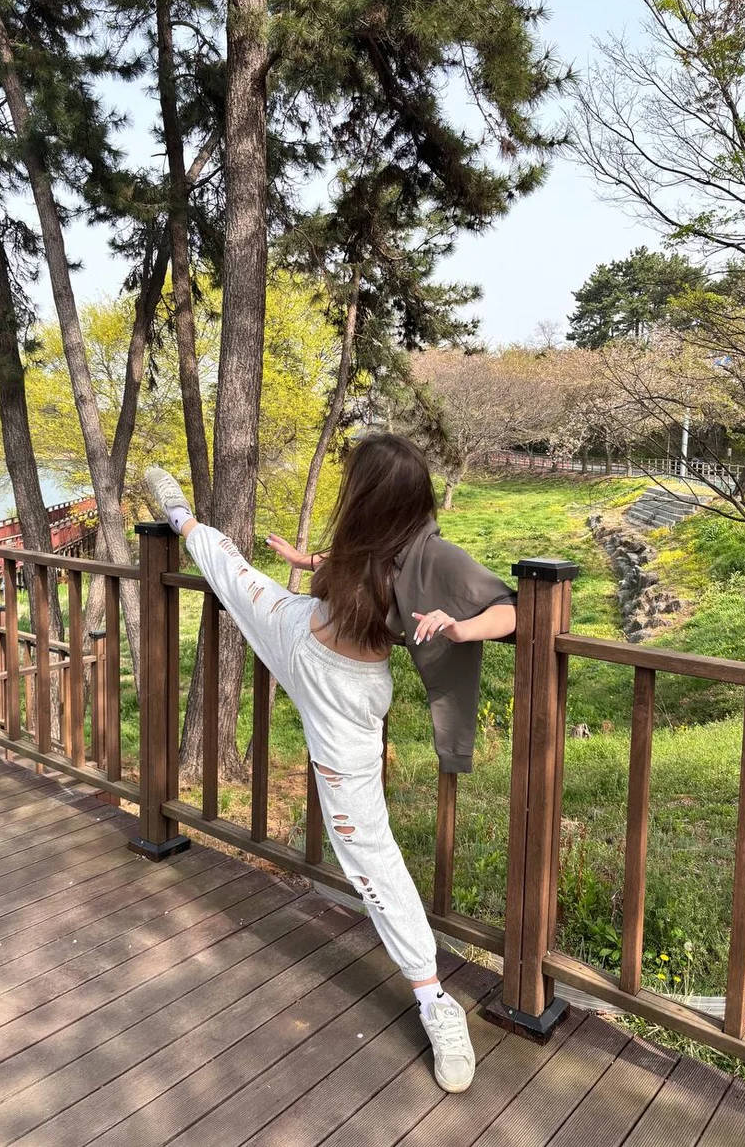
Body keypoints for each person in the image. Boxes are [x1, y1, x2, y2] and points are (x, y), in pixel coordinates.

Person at [144, 433, 516, 1094]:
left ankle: (436, 1000)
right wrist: (308, 559)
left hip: (346, 697)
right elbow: (359, 561)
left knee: (366, 849)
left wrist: (462, 628)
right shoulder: (365, 537)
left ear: (374, 493)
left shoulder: (432, 554)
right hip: (298, 629)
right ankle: (181, 518)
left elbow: (509, 609)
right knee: (237, 577)